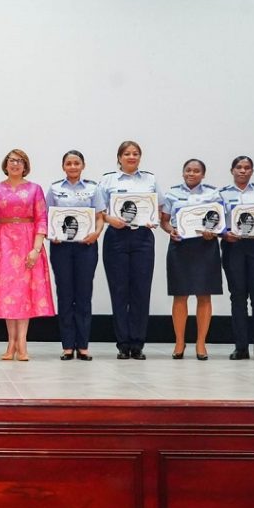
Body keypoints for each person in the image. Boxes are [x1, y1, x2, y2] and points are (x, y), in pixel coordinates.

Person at [0, 149, 55, 361]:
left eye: (20, 161)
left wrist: (36, 249)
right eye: (12, 160)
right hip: (3, 244)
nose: (15, 164)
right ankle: (11, 342)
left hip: (28, 243)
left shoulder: (35, 189)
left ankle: (22, 342)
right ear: (6, 164)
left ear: (25, 165)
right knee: (7, 293)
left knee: (24, 292)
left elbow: (42, 219)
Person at [95, 140, 162, 360]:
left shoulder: (150, 179)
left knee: (141, 291)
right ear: (119, 157)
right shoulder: (108, 180)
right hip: (116, 237)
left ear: (140, 157)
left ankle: (138, 343)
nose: (131, 157)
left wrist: (153, 218)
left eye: (135, 153)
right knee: (119, 291)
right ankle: (123, 344)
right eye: (127, 153)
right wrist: (109, 219)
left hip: (143, 238)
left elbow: (159, 207)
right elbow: (99, 210)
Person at [160, 158, 223, 360]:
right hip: (180, 246)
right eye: (188, 170)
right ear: (183, 172)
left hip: (206, 246)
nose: (192, 174)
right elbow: (164, 221)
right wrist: (171, 230)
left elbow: (220, 221)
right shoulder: (172, 194)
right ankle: (180, 342)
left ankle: (201, 343)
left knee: (204, 295)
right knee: (180, 295)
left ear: (203, 174)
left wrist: (213, 232)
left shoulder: (213, 194)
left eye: (196, 171)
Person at [45, 150, 104, 361]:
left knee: (84, 295)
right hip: (61, 248)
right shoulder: (54, 189)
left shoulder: (93, 188)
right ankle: (68, 346)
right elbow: (46, 217)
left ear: (83, 165)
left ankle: (84, 346)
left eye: (76, 163)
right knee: (65, 294)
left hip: (86, 247)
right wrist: (51, 234)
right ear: (63, 166)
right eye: (68, 163)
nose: (72, 167)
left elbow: (100, 217)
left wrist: (96, 233)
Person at [218, 156, 254, 362]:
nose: (242, 171)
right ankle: (241, 347)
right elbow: (216, 222)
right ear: (232, 170)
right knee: (238, 297)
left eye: (247, 167)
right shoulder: (221, 194)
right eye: (239, 167)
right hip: (234, 247)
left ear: (252, 171)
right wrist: (224, 234)